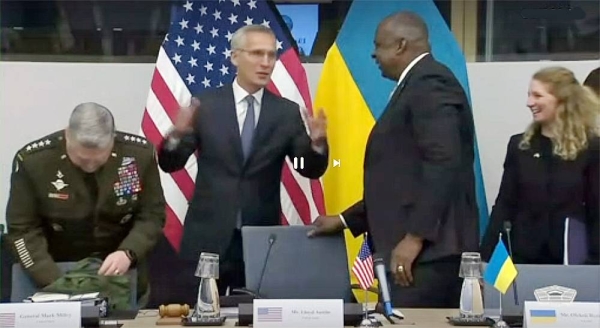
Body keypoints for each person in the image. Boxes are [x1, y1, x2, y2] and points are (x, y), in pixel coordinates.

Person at [308, 11, 479, 308]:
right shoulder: (414, 84)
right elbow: (399, 180)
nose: (373, 53)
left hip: (427, 256)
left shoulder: (430, 82)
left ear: (400, 46)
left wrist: (415, 237)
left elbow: (443, 163)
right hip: (416, 254)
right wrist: (346, 219)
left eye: (379, 45)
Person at [158, 25, 329, 296]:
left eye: (271, 55)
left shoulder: (286, 113)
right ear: (235, 57)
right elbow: (171, 164)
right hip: (207, 235)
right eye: (257, 53)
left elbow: (307, 168)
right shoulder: (206, 105)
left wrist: (317, 144)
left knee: (254, 316)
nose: (266, 63)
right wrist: (176, 135)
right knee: (200, 315)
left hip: (259, 237)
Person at [5, 102, 166, 305]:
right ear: (67, 136)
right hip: (50, 273)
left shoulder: (138, 156)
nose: (90, 166)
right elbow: (22, 228)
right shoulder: (34, 162)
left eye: (98, 161)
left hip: (118, 275)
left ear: (112, 141)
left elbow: (152, 214)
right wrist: (57, 282)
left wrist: (129, 252)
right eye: (81, 160)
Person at [481, 66, 599, 265]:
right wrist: (486, 258)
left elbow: (597, 211)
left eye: (537, 95)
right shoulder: (519, 146)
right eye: (529, 95)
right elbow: (504, 205)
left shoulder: (592, 148)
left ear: (562, 100)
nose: (529, 103)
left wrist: (594, 265)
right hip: (521, 258)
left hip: (572, 261)